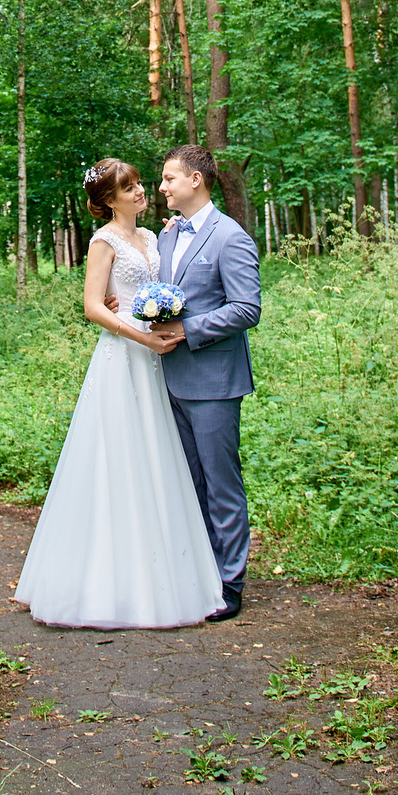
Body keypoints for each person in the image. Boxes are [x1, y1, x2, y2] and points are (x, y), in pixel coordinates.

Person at [12, 157, 225, 629]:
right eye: (126, 187)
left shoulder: (154, 236)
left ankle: (165, 571)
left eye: (138, 183)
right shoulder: (102, 241)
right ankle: (105, 581)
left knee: (158, 458)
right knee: (117, 458)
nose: (139, 191)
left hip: (156, 358)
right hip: (124, 355)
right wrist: (140, 332)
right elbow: (92, 306)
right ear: (108, 200)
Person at [150, 142, 260, 621]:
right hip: (168, 378)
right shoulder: (169, 235)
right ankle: (198, 569)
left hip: (214, 379)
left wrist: (187, 330)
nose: (161, 187)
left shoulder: (229, 237)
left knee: (221, 483)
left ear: (195, 180)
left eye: (169, 178)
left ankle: (230, 581)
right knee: (188, 481)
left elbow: (246, 308)